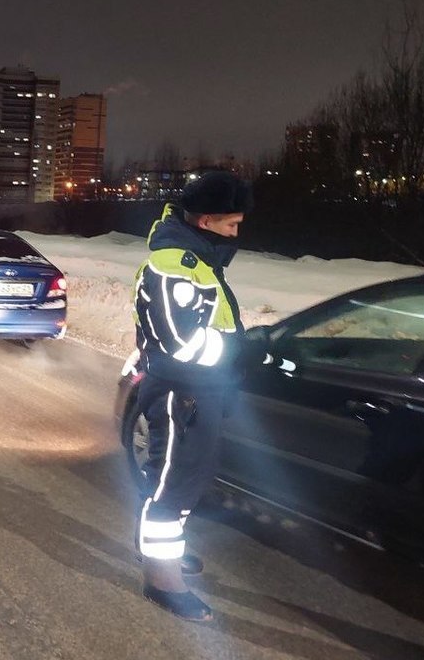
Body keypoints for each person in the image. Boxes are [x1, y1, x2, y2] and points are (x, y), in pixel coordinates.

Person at [130, 170, 268, 622]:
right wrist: (238, 353)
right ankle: (162, 579)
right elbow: (180, 346)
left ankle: (156, 550)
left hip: (195, 390)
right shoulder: (176, 267)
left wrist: (238, 351)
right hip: (181, 392)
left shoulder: (199, 259)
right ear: (206, 221)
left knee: (170, 475)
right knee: (179, 482)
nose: (237, 233)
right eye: (231, 224)